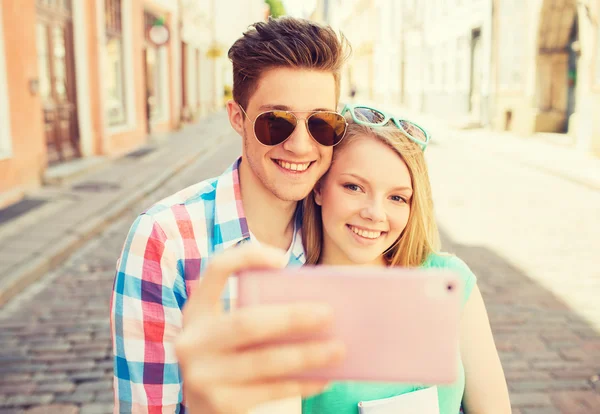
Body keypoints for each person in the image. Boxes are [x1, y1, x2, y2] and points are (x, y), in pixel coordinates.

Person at [110, 17, 351, 413]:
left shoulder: (340, 228)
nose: (301, 145)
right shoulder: (165, 240)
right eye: (277, 122)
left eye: (322, 123)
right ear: (237, 117)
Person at [298, 104, 512, 413]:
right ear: (319, 188)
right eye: (354, 187)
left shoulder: (449, 279)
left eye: (397, 197)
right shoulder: (290, 302)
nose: (375, 213)